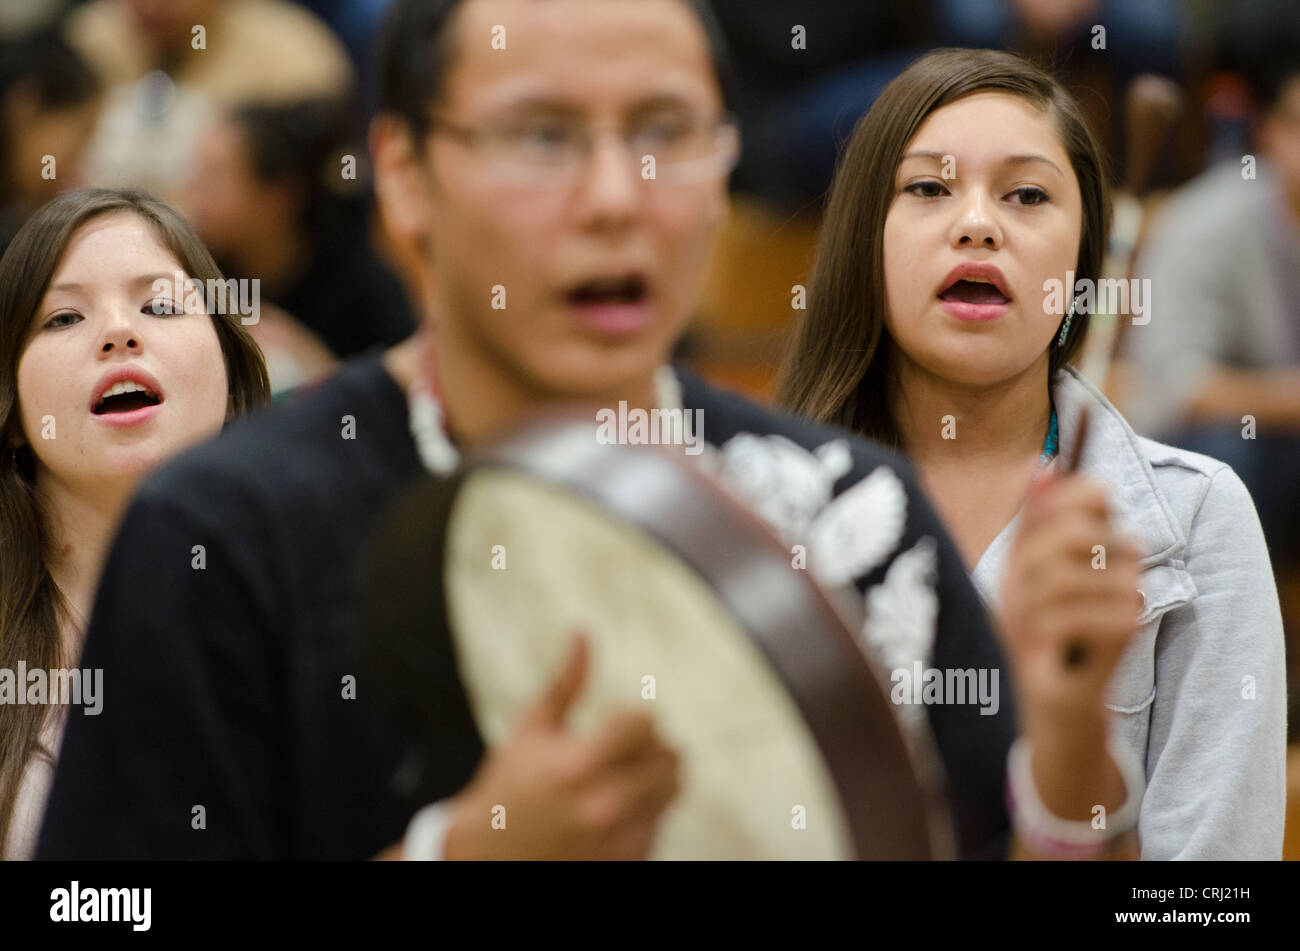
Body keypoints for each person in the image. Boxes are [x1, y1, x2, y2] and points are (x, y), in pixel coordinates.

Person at [40, 1, 1134, 862]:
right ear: (407, 175)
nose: (617, 195)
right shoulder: (224, 534)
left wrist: (1068, 741)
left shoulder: (854, 511)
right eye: (541, 135)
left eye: (663, 132)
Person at [778, 48, 1287, 859]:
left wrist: (1073, 759)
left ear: (1082, 261)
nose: (977, 223)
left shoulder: (1198, 517)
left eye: (1026, 194)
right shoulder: (753, 505)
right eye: (929, 188)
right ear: (862, 241)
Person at [0, 187, 269, 860]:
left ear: (232, 376)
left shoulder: (325, 612)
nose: (120, 334)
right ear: (10, 410)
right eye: (63, 318)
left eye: (159, 305)